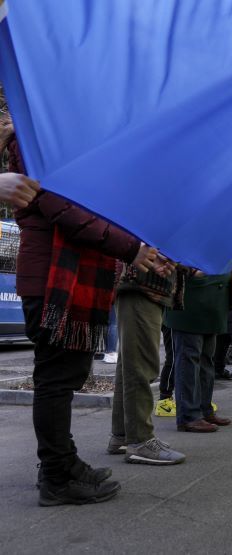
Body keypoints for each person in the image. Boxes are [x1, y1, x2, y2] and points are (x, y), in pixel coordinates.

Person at [5, 123, 158, 505]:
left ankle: (63, 463)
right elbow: (64, 208)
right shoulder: (33, 140)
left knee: (64, 377)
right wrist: (129, 248)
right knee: (56, 380)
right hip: (53, 281)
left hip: (66, 280)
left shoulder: (52, 140)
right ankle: (57, 475)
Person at [109, 258, 186, 465]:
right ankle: (140, 441)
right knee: (140, 365)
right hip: (142, 284)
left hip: (146, 285)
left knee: (130, 363)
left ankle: (123, 436)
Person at [165, 272, 232, 433]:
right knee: (189, 362)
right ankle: (188, 416)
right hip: (191, 302)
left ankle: (204, 411)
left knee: (206, 361)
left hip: (212, 304)